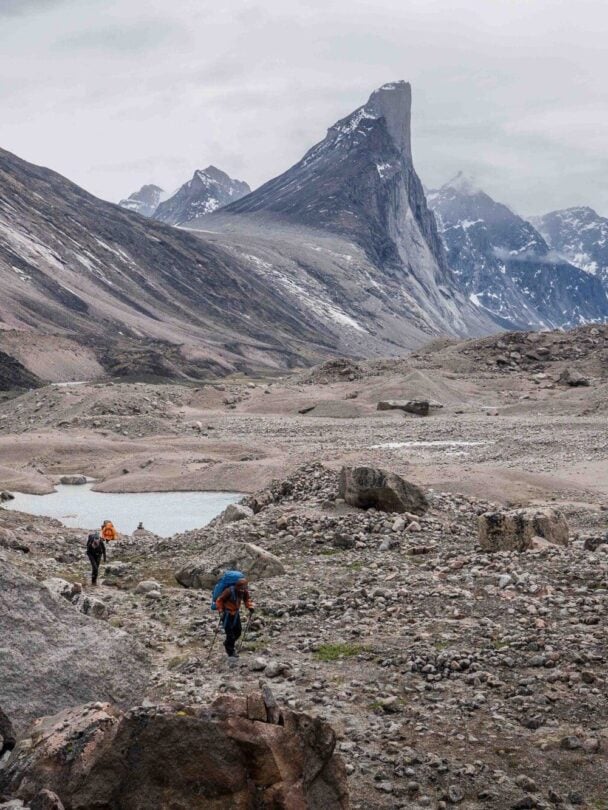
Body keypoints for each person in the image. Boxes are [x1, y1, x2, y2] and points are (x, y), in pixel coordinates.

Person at [215, 577, 254, 659]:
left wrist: (250, 607)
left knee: (238, 631)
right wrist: (221, 610)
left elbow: (247, 600)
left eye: (244, 588)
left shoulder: (244, 592)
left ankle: (228, 643)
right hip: (226, 614)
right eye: (241, 588)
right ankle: (231, 652)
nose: (242, 590)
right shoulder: (229, 591)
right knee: (230, 634)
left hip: (235, 613)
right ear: (237, 586)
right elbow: (219, 600)